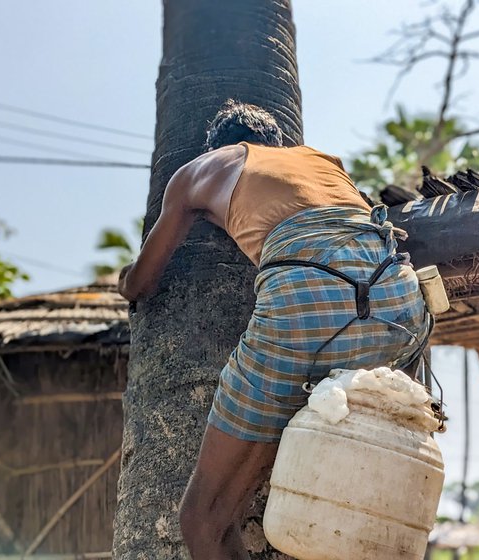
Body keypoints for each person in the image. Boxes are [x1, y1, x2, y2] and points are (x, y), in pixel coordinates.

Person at [117, 99, 430, 560]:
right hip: (397, 297)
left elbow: (141, 283)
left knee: (204, 520)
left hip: (305, 297)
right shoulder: (323, 161)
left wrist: (125, 277)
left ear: (217, 146)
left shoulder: (198, 171)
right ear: (280, 143)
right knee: (364, 500)